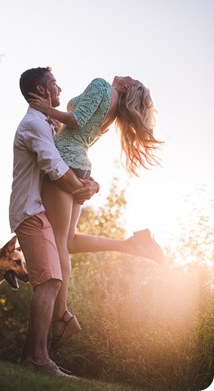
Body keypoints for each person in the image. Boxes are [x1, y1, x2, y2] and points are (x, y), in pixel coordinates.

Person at [28, 75, 164, 350]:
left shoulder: (103, 85)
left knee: (58, 245)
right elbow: (80, 126)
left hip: (64, 163)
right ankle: (132, 245)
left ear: (126, 87)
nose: (126, 74)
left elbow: (76, 120)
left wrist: (47, 110)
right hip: (79, 165)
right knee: (67, 241)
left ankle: (61, 316)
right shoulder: (114, 110)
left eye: (131, 77)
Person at [9, 67, 99, 377]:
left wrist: (92, 184)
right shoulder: (34, 124)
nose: (59, 89)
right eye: (53, 84)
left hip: (38, 212)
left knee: (50, 280)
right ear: (40, 89)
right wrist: (81, 189)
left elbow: (67, 161)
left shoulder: (47, 122)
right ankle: (39, 360)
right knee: (49, 281)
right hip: (30, 213)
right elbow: (53, 166)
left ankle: (31, 358)